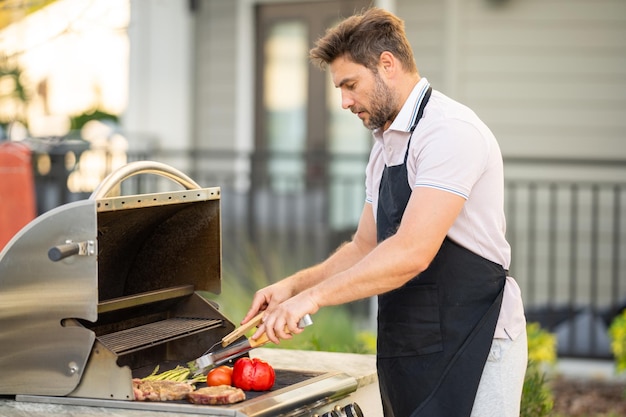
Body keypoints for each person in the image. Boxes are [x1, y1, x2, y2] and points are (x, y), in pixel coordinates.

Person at [241, 7, 527, 417]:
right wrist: (294, 287)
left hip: (477, 345)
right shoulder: (386, 144)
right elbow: (365, 246)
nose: (343, 101)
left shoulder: (449, 132)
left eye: (350, 84)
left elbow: (412, 251)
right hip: (415, 346)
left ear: (387, 65)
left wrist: (313, 300)